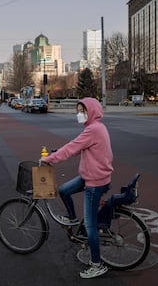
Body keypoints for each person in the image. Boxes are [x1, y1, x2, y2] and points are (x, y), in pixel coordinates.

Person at [40, 97, 114, 279]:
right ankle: (73, 220)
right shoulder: (97, 128)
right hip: (93, 175)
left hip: (94, 182)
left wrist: (49, 158)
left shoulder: (93, 130)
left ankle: (97, 264)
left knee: (91, 226)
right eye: (78, 110)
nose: (79, 114)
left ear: (92, 112)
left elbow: (73, 147)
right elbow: (79, 147)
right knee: (64, 190)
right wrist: (58, 153)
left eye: (82, 111)